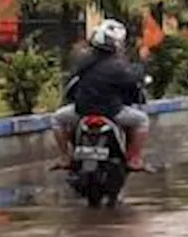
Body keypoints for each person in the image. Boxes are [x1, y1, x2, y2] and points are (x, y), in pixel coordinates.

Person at [52, 19, 150, 172]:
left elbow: (71, 80)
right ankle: (134, 159)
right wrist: (142, 67)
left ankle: (65, 157)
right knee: (142, 121)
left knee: (57, 119)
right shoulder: (119, 66)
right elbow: (132, 82)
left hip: (81, 111)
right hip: (112, 112)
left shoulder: (83, 61)